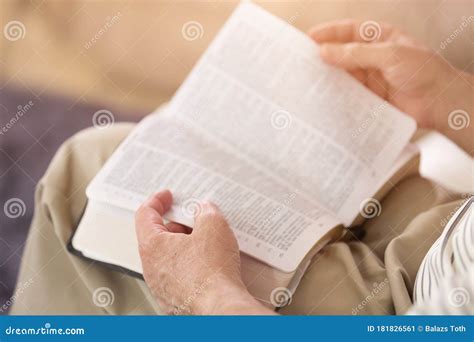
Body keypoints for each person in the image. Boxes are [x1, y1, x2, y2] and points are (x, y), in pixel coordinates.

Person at [10, 21, 472, 315]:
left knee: (86, 172)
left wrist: (210, 295)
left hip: (411, 309)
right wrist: (452, 99)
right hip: (453, 227)